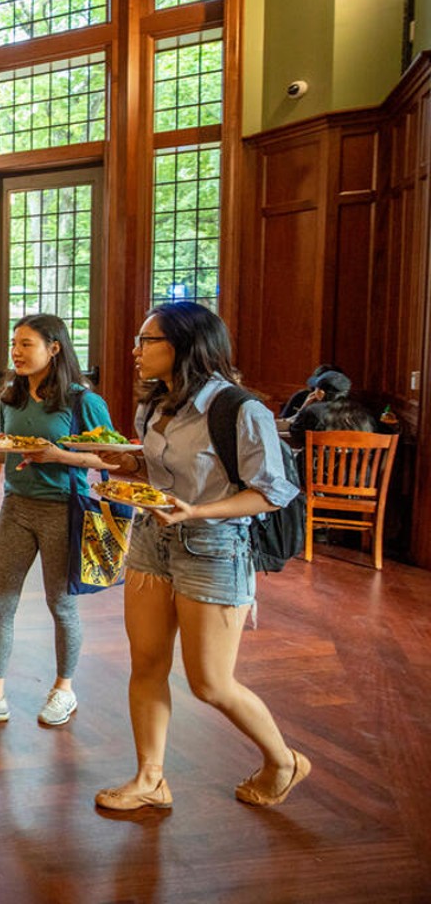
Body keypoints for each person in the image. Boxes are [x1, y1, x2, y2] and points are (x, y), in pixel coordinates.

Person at [93, 302, 307, 811]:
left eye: (149, 341)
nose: (136, 351)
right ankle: (150, 779)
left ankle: (283, 760)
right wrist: (123, 466)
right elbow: (157, 475)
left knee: (210, 682)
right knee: (145, 663)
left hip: (215, 546)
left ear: (185, 346)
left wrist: (197, 512)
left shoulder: (239, 409)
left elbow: (273, 492)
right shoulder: (155, 405)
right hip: (152, 538)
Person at [0, 314, 116, 729]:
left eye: (26, 344)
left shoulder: (83, 401)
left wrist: (59, 456)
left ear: (54, 348)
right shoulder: (11, 398)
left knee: (60, 604)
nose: (16, 352)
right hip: (16, 506)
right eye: (14, 344)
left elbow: (114, 458)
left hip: (63, 508)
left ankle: (64, 690)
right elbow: (12, 451)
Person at [284, 369, 361, 453]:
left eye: (315, 388)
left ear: (321, 393)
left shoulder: (312, 410)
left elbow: (295, 435)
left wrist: (303, 408)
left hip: (318, 464)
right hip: (356, 465)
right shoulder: (363, 413)